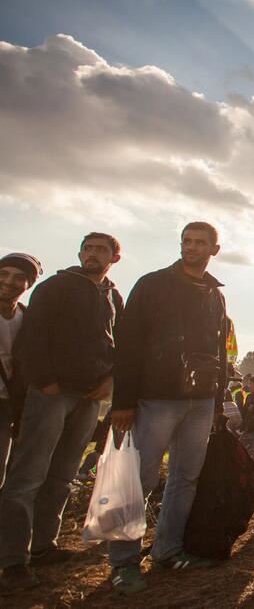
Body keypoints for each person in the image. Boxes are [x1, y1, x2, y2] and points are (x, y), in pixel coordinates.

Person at [108, 222, 231, 593]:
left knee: (185, 478)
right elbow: (127, 345)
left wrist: (219, 402)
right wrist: (123, 401)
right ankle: (123, 562)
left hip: (201, 401)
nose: (190, 248)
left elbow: (220, 351)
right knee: (141, 479)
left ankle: (168, 549)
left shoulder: (215, 294)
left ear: (215, 249)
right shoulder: (152, 285)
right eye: (186, 242)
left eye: (199, 243)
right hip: (157, 397)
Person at [0, 235, 122, 592]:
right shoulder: (56, 286)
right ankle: (12, 561)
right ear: (80, 253)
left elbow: (122, 341)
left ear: (115, 256)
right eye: (88, 249)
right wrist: (47, 383)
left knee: (63, 473)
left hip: (91, 397)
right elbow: (32, 338)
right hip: (52, 393)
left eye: (100, 250)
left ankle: (42, 547)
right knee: (28, 475)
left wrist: (111, 380)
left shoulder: (113, 295)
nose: (92, 255)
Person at [0, 252, 40, 492]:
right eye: (3, 274)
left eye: (18, 277)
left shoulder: (26, 319)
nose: (8, 281)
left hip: (5, 407)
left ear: (28, 285)